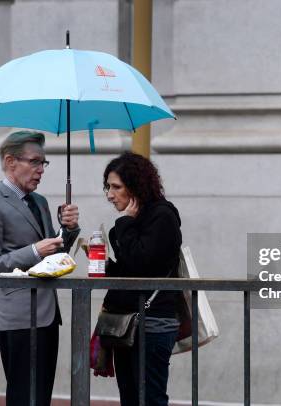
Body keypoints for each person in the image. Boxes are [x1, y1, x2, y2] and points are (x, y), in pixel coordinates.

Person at [0, 131, 80, 406]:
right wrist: (34, 251)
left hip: (47, 314)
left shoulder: (40, 202)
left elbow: (55, 256)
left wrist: (67, 230)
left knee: (40, 396)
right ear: (10, 161)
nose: (41, 169)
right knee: (23, 397)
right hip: (18, 318)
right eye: (34, 162)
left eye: (43, 163)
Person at [102, 152, 182, 406]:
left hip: (153, 320)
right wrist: (106, 265)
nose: (109, 194)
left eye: (116, 187)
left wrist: (125, 223)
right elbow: (128, 271)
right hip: (127, 323)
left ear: (135, 187)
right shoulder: (125, 224)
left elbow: (143, 263)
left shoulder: (163, 216)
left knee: (150, 398)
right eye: (107, 187)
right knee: (129, 396)